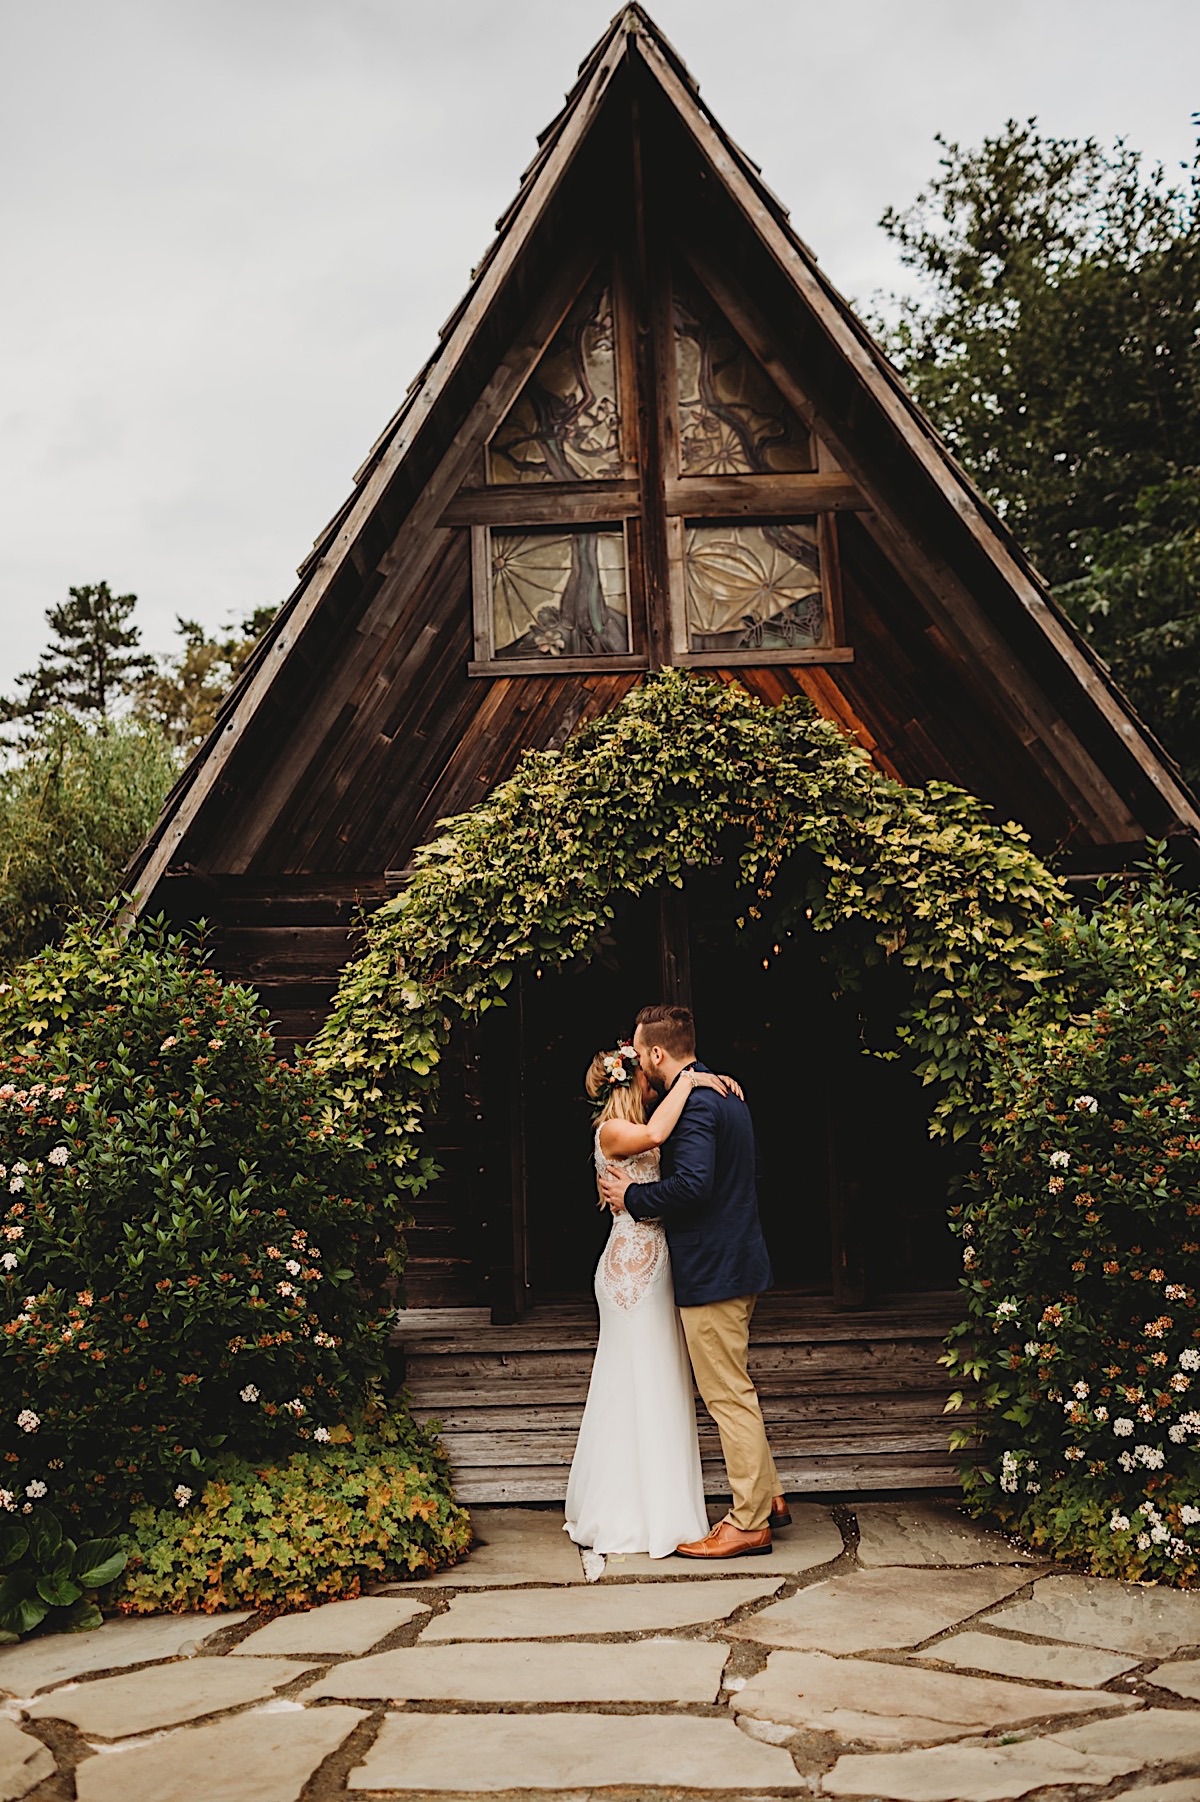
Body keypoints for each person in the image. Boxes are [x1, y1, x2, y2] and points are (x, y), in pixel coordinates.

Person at [598, 1003, 789, 1558]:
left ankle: (748, 1520)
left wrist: (631, 1198)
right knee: (735, 1385)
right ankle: (770, 1495)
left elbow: (693, 1187)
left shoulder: (699, 1103)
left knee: (726, 1394)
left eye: (640, 1053)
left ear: (657, 1053)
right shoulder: (720, 1092)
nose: (637, 1064)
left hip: (714, 1268)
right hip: (735, 1259)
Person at [564, 1041, 737, 1558]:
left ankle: (661, 1504)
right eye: (647, 1075)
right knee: (631, 1377)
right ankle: (627, 1511)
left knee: (661, 1376)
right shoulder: (611, 1130)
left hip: (660, 1259)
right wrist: (694, 1079)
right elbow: (657, 1134)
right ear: (629, 1081)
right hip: (629, 1271)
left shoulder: (644, 1122)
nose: (655, 1081)